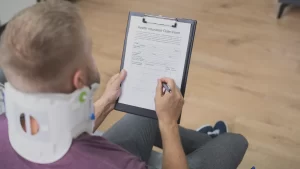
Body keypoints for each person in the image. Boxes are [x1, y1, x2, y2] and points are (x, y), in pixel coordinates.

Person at [0, 1, 248, 169]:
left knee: (146, 112)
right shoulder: (113, 163)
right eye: (88, 50)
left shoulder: (5, 125)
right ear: (78, 80)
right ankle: (208, 141)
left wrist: (107, 102)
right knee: (235, 142)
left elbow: (60, 132)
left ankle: (200, 140)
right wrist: (168, 123)